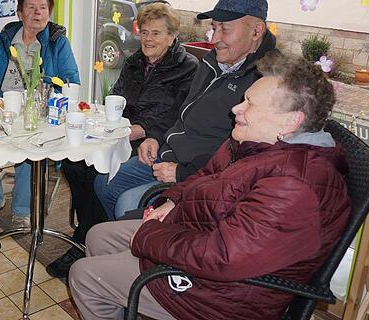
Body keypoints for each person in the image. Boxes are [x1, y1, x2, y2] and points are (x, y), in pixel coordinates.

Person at [69, 53, 350, 320]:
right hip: (196, 239)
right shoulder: (256, 144)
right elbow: (207, 173)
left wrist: (148, 237)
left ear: (291, 122)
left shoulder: (295, 186)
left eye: (250, 103)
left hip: (222, 294)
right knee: (98, 236)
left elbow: (224, 257)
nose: (236, 108)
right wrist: (171, 202)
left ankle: (112, 293)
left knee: (84, 276)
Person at [94, 0, 278, 219]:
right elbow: (182, 113)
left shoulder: (268, 79)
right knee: (105, 184)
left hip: (201, 174)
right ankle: (117, 242)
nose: (215, 38)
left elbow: (247, 155)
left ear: (256, 30)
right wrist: (156, 136)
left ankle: (132, 245)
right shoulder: (212, 63)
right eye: (214, 28)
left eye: (225, 29)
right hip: (166, 152)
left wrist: (183, 172)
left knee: (127, 204)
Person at [47, 2, 199, 278]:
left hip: (157, 143)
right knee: (74, 164)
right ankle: (91, 230)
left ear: (172, 37)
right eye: (145, 32)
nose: (148, 39)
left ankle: (87, 239)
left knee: (97, 173)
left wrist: (146, 130)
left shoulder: (188, 68)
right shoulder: (133, 61)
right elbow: (118, 97)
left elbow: (182, 116)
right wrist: (111, 121)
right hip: (123, 134)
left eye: (156, 33)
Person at [0, 0, 80, 228]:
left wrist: (41, 96)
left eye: (43, 8)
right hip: (3, 107)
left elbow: (70, 79)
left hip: (39, 111)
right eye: (31, 8)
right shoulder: (1, 41)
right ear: (20, 13)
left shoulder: (57, 43)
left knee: (30, 153)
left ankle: (22, 210)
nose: (38, 13)